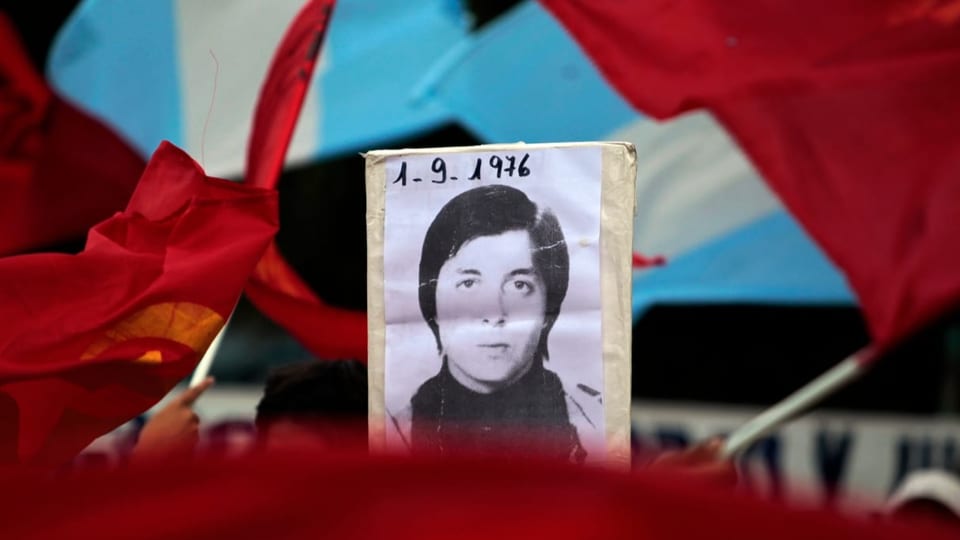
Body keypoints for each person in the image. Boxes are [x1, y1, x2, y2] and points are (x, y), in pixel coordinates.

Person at [387, 184, 601, 463]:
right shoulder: (388, 437)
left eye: (519, 284)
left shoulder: (599, 426)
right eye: (468, 283)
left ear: (549, 306)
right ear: (432, 301)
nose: (494, 312)